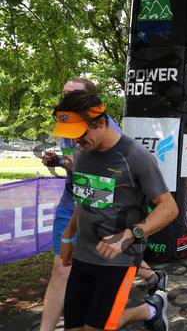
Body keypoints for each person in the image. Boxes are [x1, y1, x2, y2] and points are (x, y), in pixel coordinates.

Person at [40, 79, 166, 331]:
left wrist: (129, 235)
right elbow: (86, 198)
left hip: (118, 261)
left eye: (80, 134)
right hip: (82, 256)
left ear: (99, 122)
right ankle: (151, 310)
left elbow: (169, 208)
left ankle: (151, 308)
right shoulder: (82, 155)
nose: (76, 141)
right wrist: (68, 236)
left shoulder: (136, 156)